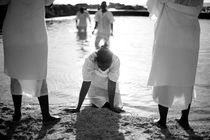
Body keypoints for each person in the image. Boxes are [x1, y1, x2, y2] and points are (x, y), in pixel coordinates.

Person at [2, 0, 60, 125]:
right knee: (40, 72)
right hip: (35, 33)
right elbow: (49, 3)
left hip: (14, 32)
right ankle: (45, 115)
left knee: (15, 72)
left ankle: (17, 113)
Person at [147, 0, 204, 130]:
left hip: (169, 33)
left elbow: (153, 5)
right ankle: (184, 119)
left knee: (164, 73)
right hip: (190, 35)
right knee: (187, 74)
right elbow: (198, 8)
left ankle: (162, 120)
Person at [70, 41, 124, 113]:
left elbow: (112, 83)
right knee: (98, 104)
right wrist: (78, 108)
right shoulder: (90, 61)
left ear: (111, 61)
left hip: (109, 82)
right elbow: (86, 83)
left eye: (107, 66)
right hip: (95, 83)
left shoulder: (115, 60)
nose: (104, 68)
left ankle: (109, 104)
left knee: (116, 105)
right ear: (96, 61)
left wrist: (112, 107)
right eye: (101, 66)